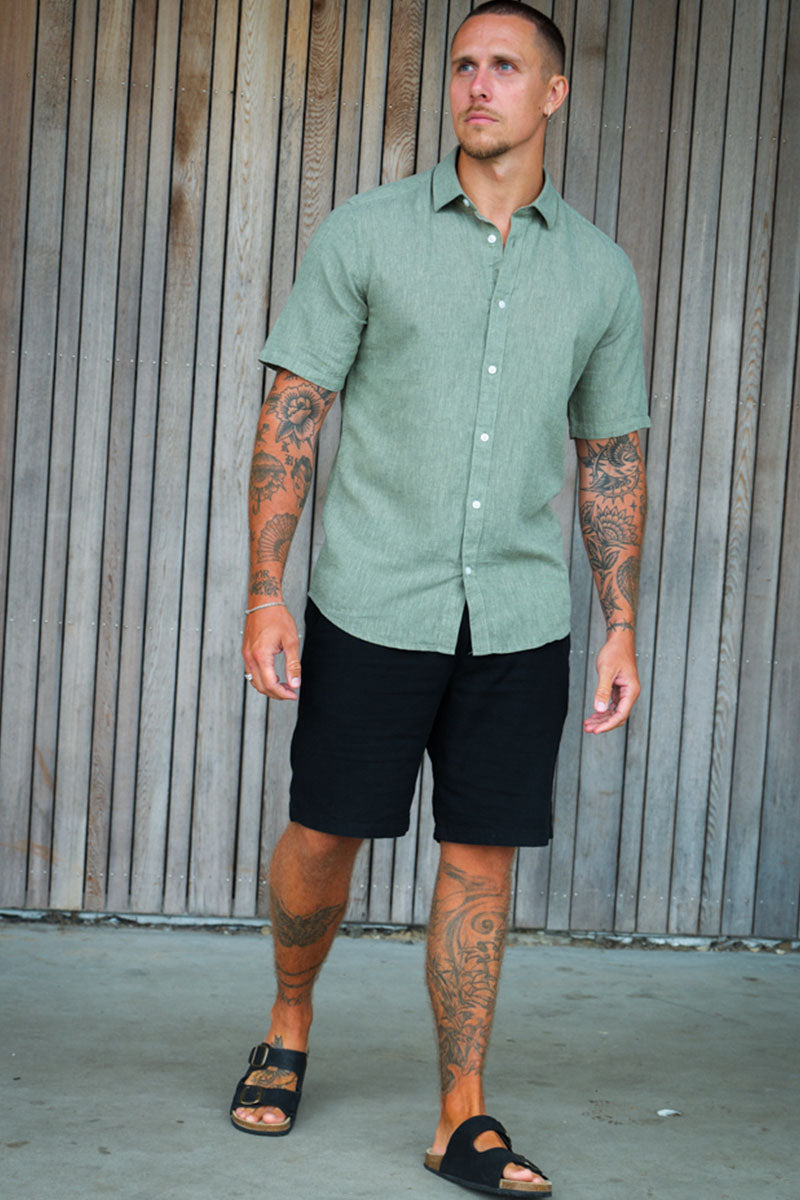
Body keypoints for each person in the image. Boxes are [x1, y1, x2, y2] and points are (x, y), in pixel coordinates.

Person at [231, 3, 649, 1195]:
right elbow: (290, 418)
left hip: (517, 617)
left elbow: (609, 457)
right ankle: (288, 1020)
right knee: (325, 832)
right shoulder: (365, 234)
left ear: (551, 94)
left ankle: (461, 1113)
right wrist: (265, 593)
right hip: (371, 599)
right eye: (463, 64)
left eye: (504, 67)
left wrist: (620, 623)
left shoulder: (598, 272)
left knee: (481, 863)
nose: (476, 84)